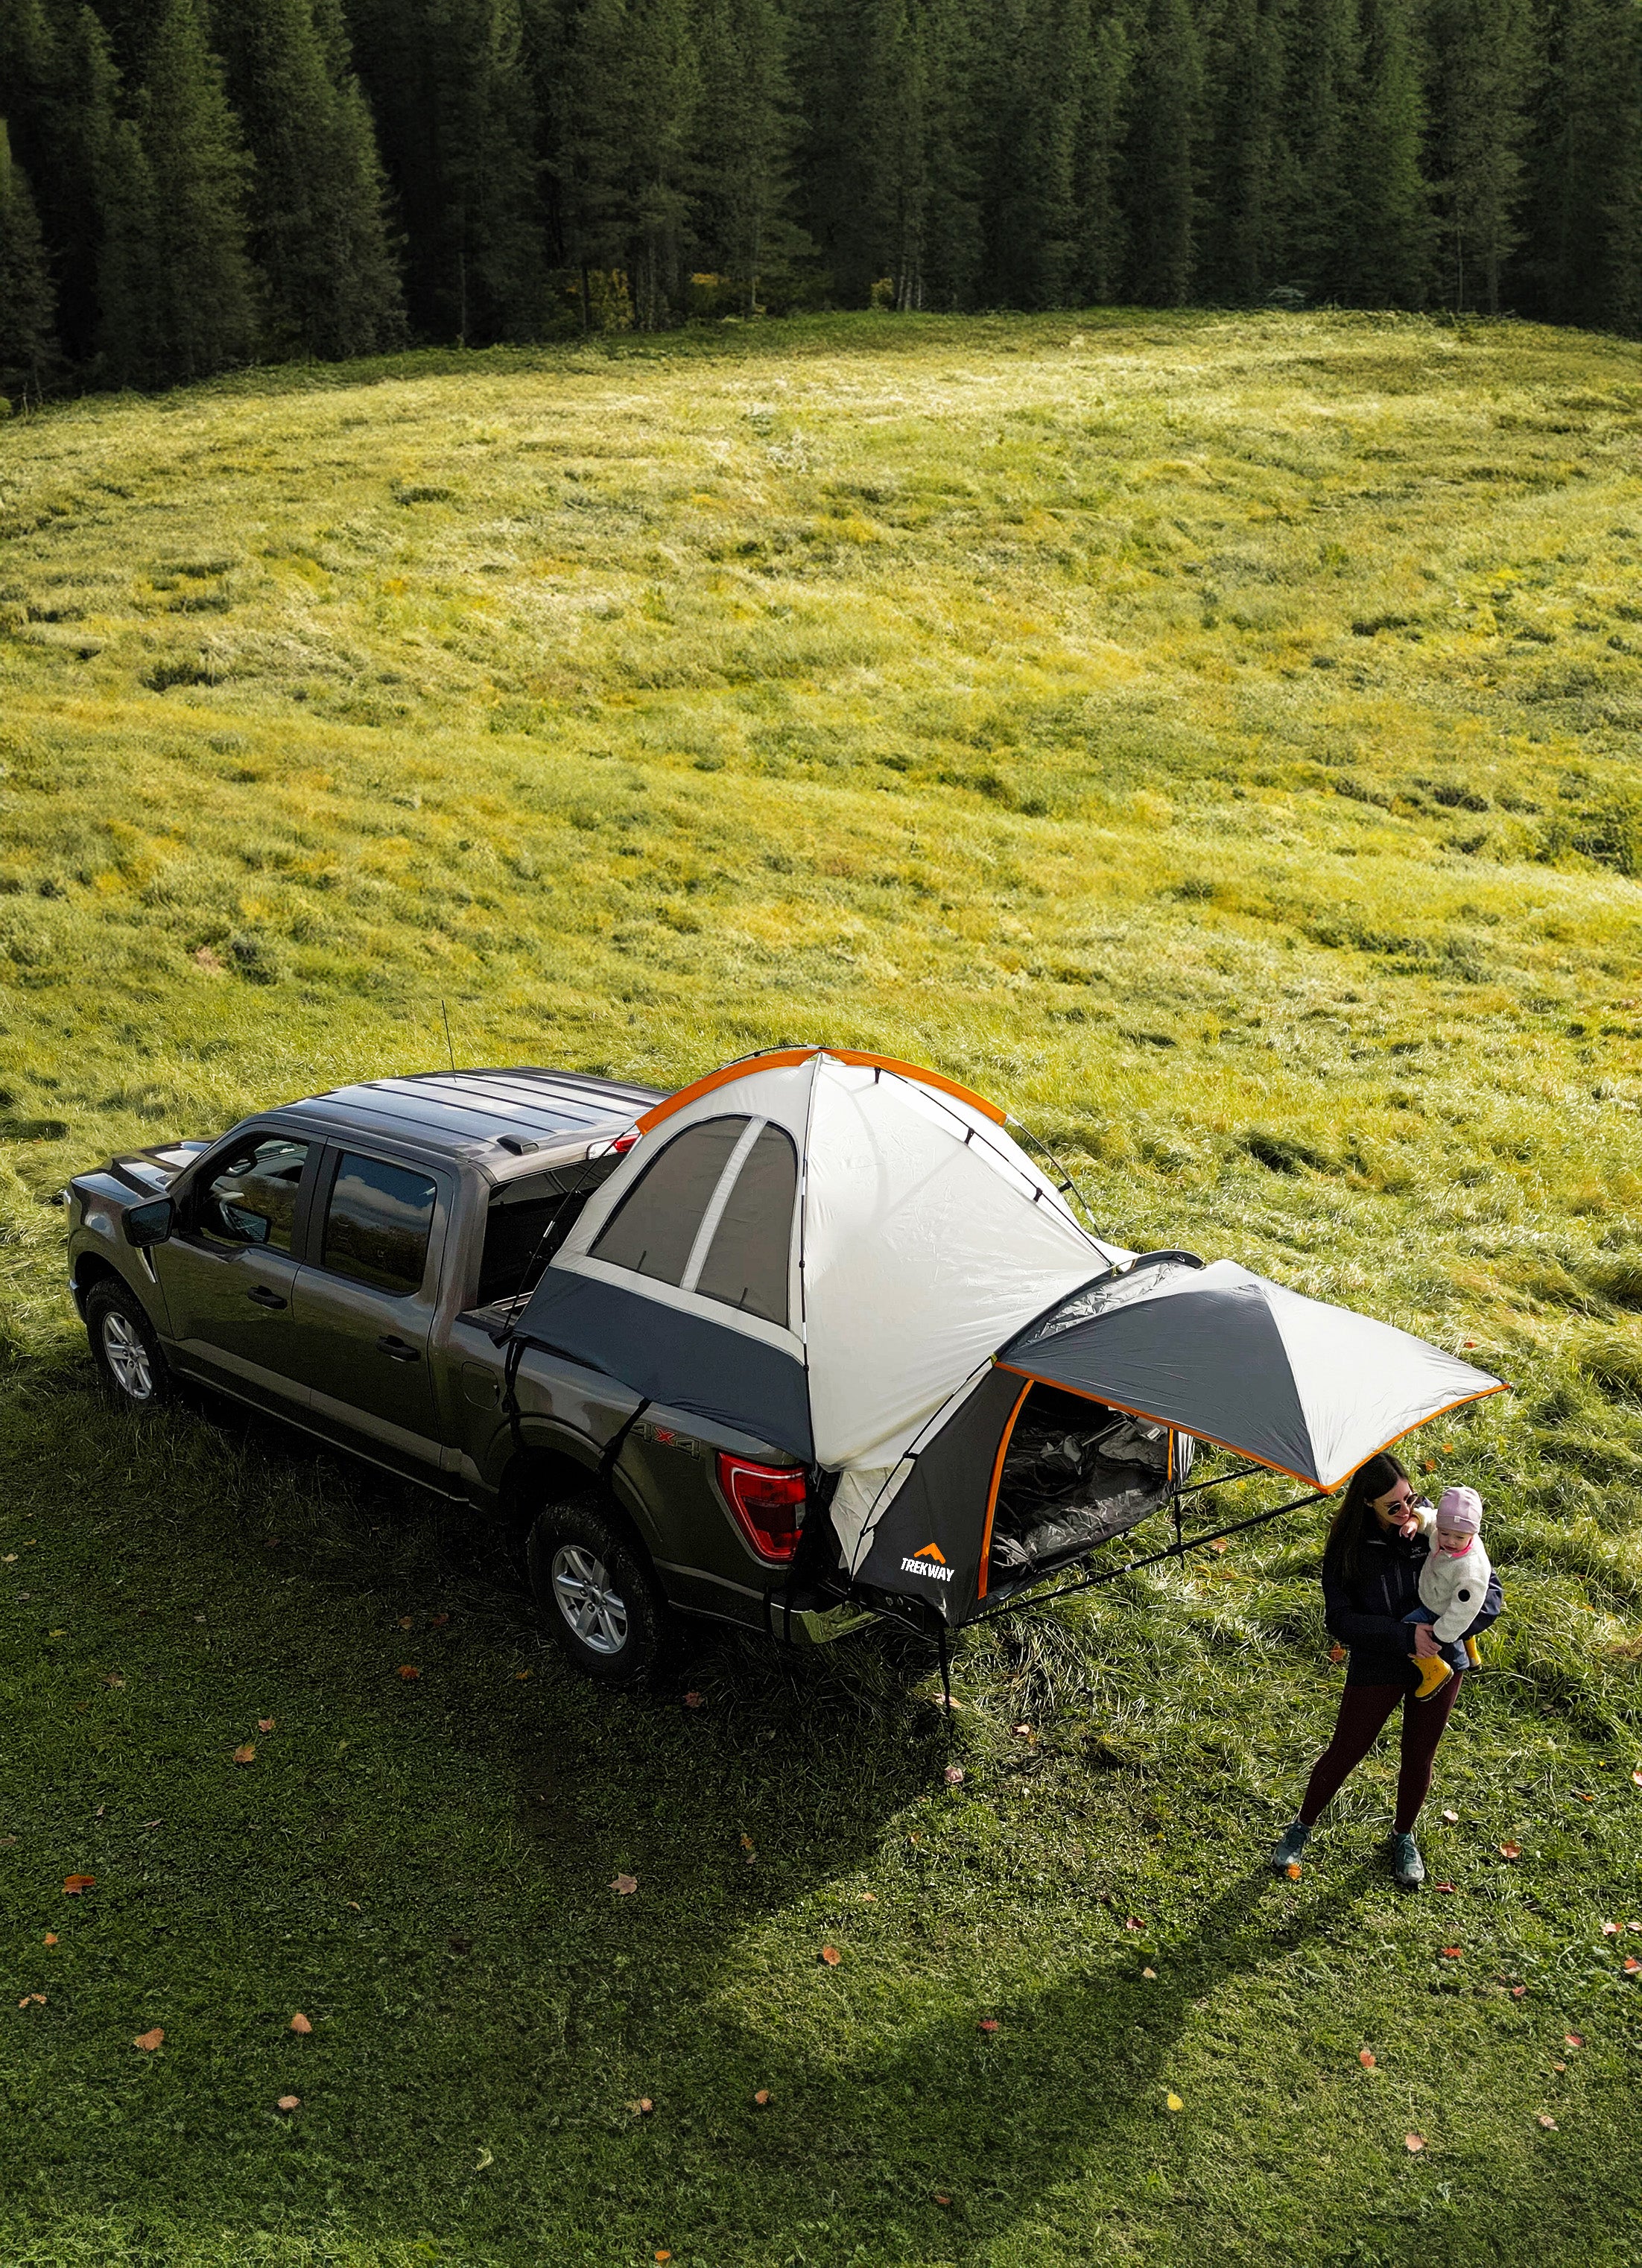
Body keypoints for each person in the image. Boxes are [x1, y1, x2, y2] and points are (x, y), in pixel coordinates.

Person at [1269, 1451, 1503, 1890]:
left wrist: (1443, 1632)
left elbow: (1489, 1593)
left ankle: (1403, 1836)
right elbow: (1339, 1620)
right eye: (1393, 1506)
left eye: (1410, 1499)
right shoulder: (1347, 1550)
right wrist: (1402, 1636)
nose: (1406, 1512)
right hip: (1378, 1662)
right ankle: (1301, 1826)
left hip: (1439, 1664)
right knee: (1347, 1748)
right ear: (1367, 1506)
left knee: (1419, 1754)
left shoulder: (1440, 1531)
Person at [1405, 1485, 1491, 1699]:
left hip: (1442, 1607)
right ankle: (1471, 1652)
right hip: (1440, 1592)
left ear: (1473, 1534)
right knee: (1462, 1624)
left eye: (1459, 1538)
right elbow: (1433, 1517)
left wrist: (1440, 1634)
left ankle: (1434, 1669)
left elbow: (1464, 1610)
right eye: (1445, 1534)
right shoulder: (1445, 1528)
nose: (1450, 1541)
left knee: (1406, 1630)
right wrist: (1416, 1519)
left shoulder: (1470, 1571)